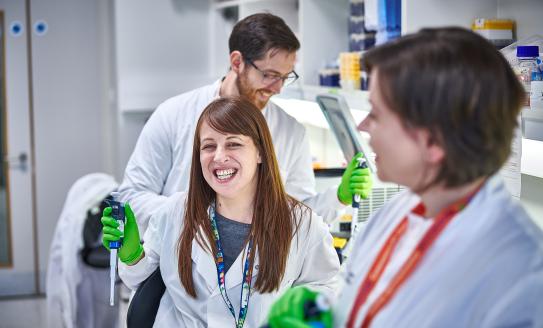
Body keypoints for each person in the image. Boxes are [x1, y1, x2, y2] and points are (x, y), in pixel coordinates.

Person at [265, 27, 543, 327]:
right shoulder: (401, 208)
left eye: (376, 113)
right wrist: (325, 310)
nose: (363, 126)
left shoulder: (517, 272)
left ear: (434, 141)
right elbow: (363, 295)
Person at [117, 13, 372, 233]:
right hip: (176, 269)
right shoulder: (173, 115)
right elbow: (132, 197)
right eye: (269, 75)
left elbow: (298, 214)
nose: (278, 88)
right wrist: (195, 214)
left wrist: (338, 198)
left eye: (285, 77)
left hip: (255, 280)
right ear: (237, 62)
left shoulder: (290, 132)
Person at [102, 97, 341, 327]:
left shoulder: (302, 224)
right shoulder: (175, 213)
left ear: (260, 152)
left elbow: (326, 287)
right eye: (208, 146)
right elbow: (140, 284)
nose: (218, 156)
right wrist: (131, 254)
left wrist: (307, 315)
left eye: (233, 144)